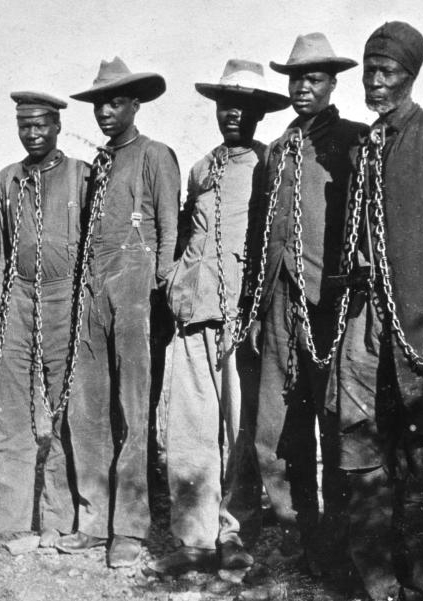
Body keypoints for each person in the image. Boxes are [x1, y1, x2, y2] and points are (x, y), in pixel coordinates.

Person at [328, 22, 423, 600]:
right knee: (359, 439)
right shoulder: (361, 145)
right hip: (365, 320)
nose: (375, 80)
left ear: (410, 76)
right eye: (370, 70)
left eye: (387, 71)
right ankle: (374, 576)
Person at [229, 32, 367, 571]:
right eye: (295, 79)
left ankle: (338, 540)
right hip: (278, 303)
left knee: (332, 427)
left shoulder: (353, 141)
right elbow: (259, 231)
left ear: (333, 84)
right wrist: (253, 307)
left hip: (329, 307)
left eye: (313, 79)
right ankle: (297, 529)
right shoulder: (277, 149)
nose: (302, 88)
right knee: (276, 430)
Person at [147, 59, 290, 576]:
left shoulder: (270, 164)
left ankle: (235, 533)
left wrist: (256, 307)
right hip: (193, 311)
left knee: (239, 427)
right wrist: (174, 284)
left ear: (258, 113)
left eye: (245, 106)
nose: (233, 114)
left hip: (240, 313)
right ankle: (194, 538)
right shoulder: (201, 167)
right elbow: (187, 231)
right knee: (190, 428)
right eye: (225, 104)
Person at [54, 57, 180, 568]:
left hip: (137, 287)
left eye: (116, 102)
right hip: (93, 288)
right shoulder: (100, 163)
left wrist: (160, 291)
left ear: (135, 104)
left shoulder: (155, 155)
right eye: (100, 104)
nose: (105, 112)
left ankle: (129, 528)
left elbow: (169, 231)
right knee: (87, 410)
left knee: (133, 411)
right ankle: (91, 518)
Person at [0, 92, 91, 550]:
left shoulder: (81, 176)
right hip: (17, 297)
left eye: (40, 125)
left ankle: (58, 519)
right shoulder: (6, 179)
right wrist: (2, 298)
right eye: (24, 125)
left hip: (65, 296)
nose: (32, 133)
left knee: (64, 407)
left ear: (57, 127)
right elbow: (5, 245)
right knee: (11, 407)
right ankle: (8, 520)